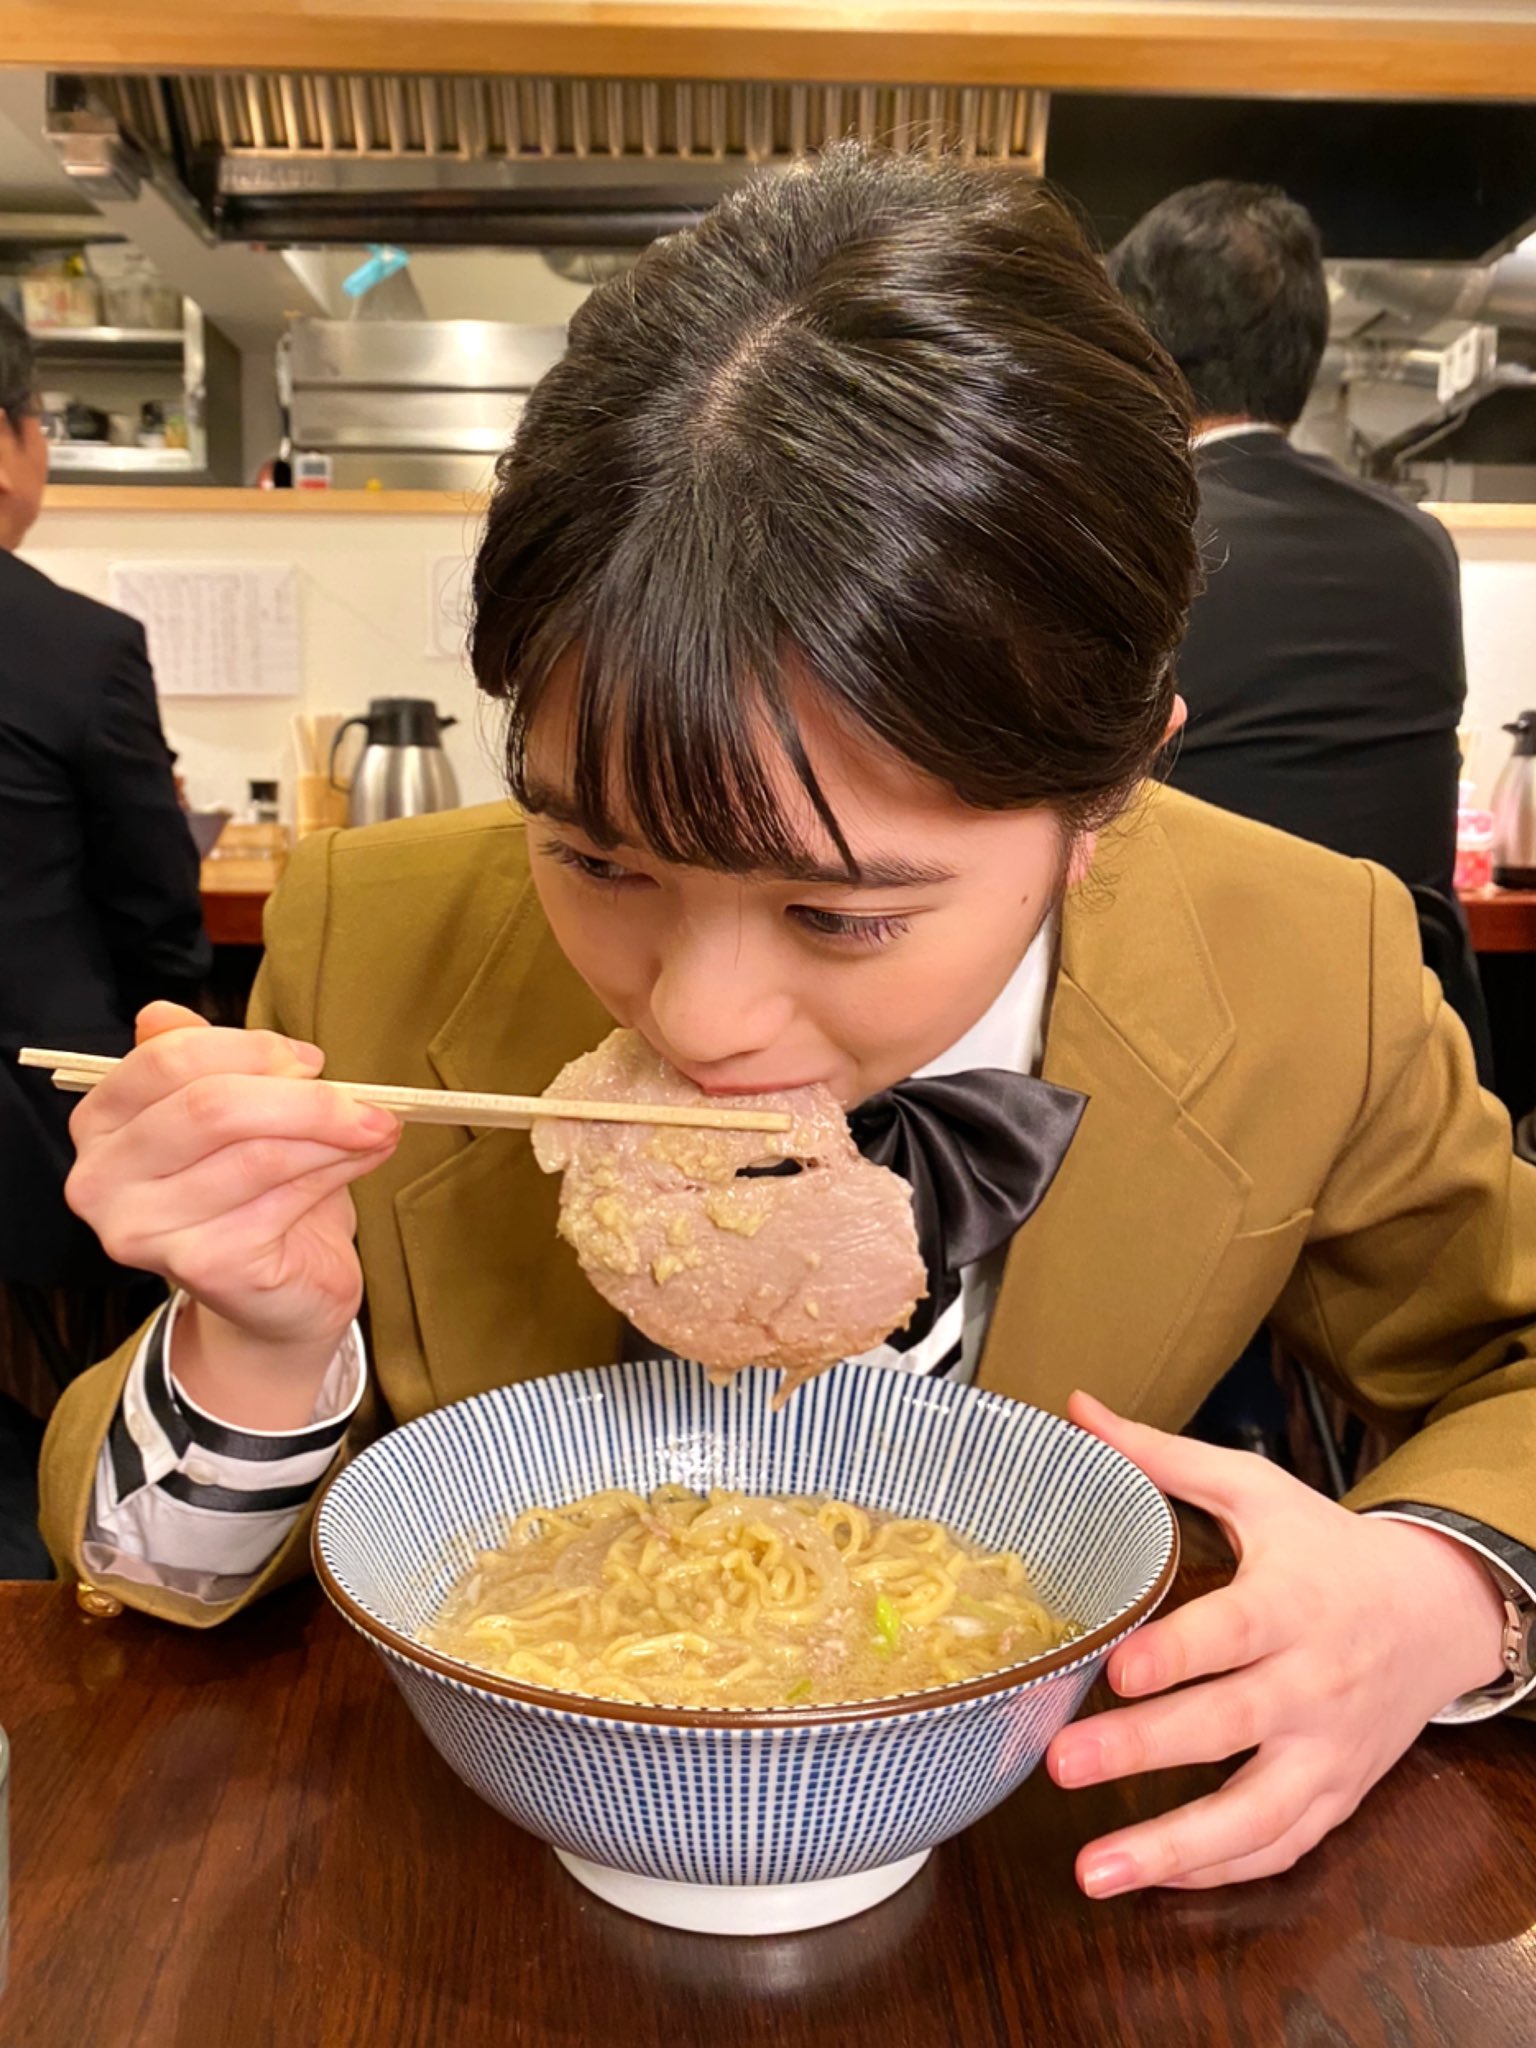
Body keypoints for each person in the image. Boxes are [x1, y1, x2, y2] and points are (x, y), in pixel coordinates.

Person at [39, 149, 1536, 1905]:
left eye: (842, 912)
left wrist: (1441, 1587)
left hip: (1058, 1868)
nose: (700, 1010)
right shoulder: (375, 928)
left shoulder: (1313, 963)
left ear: (1110, 784)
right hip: (463, 1887)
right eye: (596, 856)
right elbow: (157, 1579)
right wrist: (263, 1346)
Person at [0, 306, 210, 1559]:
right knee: (60, 1475)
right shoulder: (77, 648)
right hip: (39, 1152)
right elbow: (159, 919)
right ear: (10, 443)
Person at [1107, 180, 1467, 901]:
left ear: (1139, 348)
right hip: (1417, 995)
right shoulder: (1421, 549)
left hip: (1210, 997)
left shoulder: (1139, 541)